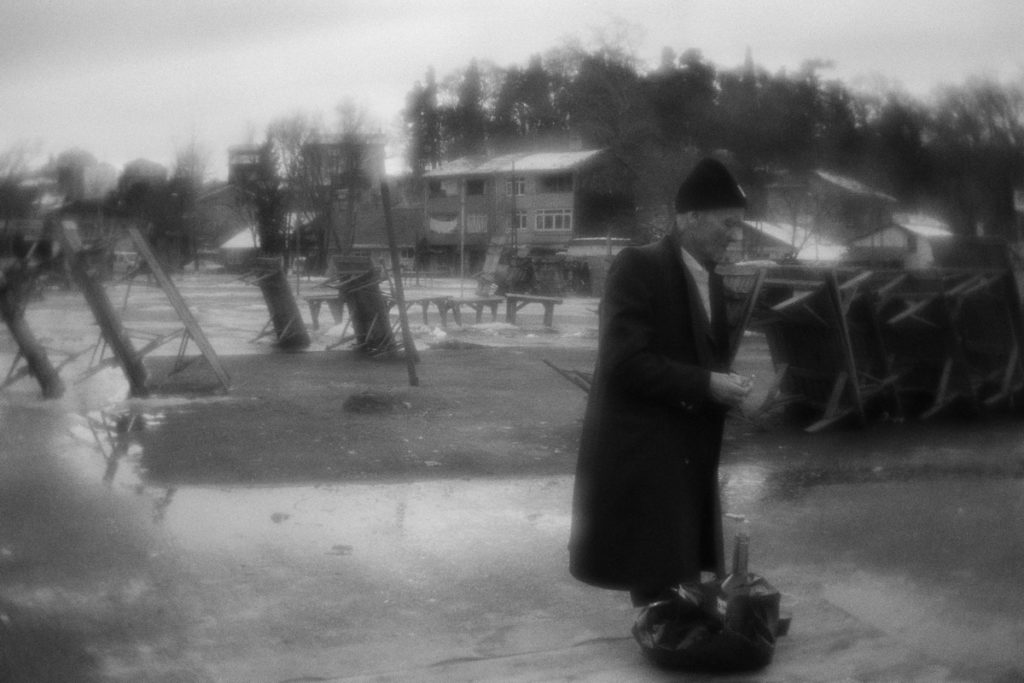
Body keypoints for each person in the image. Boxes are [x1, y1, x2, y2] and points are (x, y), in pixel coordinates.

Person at [568, 157, 752, 608]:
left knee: (681, 580)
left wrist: (730, 389)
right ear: (690, 218)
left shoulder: (711, 280)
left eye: (740, 226)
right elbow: (624, 362)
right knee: (658, 581)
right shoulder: (637, 266)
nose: (736, 235)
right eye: (727, 223)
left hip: (688, 458)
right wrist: (707, 385)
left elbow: (701, 357)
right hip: (647, 459)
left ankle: (675, 647)